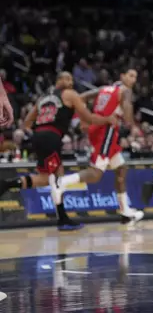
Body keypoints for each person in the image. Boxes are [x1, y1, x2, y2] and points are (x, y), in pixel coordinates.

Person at [0, 72, 116, 230]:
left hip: (39, 136)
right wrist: (107, 119)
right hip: (51, 137)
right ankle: (62, 218)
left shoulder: (43, 98)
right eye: (67, 78)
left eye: (71, 80)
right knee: (57, 177)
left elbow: (27, 122)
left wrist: (37, 133)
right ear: (58, 80)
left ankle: (7, 184)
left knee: (44, 178)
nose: (70, 82)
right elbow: (89, 118)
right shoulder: (70, 94)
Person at [51, 68, 143, 224]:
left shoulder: (105, 88)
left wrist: (85, 118)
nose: (133, 79)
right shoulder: (125, 91)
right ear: (122, 76)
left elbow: (82, 97)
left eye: (135, 77)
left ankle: (125, 212)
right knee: (96, 173)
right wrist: (132, 125)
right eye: (131, 75)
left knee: (121, 169)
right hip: (105, 131)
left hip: (100, 128)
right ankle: (63, 182)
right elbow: (127, 109)